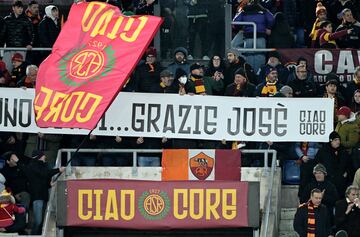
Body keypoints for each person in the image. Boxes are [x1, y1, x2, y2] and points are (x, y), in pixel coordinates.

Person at [17, 150, 65, 235]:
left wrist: (49, 185)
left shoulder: (42, 166)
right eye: (43, 155)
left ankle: (37, 234)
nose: (45, 157)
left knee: (42, 221)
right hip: (37, 196)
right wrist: (58, 170)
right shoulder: (32, 166)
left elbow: (43, 179)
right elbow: (44, 174)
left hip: (44, 195)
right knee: (38, 221)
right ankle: (34, 234)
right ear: (39, 156)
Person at [315, 131, 349, 198]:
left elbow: (349, 164)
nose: (338, 142)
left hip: (340, 179)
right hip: (328, 178)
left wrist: (346, 172)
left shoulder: (343, 150)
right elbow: (317, 164)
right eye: (335, 140)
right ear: (331, 141)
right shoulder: (323, 151)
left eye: (339, 140)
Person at [3, 0, 34, 71]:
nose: (20, 9)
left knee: (20, 69)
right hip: (9, 49)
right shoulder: (7, 19)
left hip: (21, 49)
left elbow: (31, 34)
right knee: (6, 70)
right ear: (13, 8)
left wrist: (29, 43)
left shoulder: (27, 20)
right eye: (18, 7)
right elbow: (2, 34)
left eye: (21, 8)